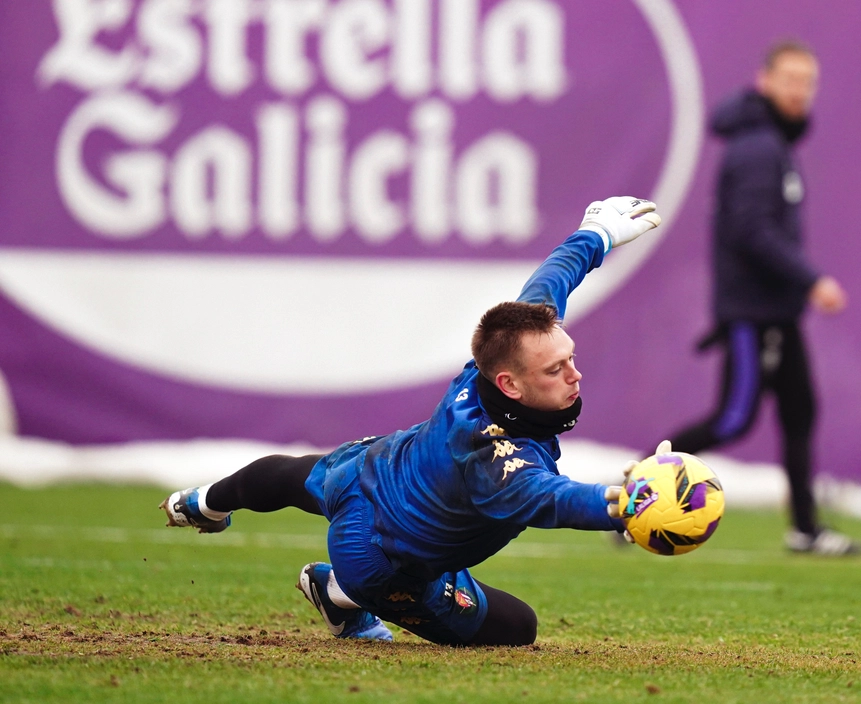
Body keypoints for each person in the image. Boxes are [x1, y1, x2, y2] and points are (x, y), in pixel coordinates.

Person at [159, 196, 661, 646]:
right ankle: (336, 593)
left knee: (292, 477)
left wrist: (596, 234)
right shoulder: (495, 460)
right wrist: (629, 504)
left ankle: (202, 502)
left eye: (568, 356)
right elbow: (553, 500)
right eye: (556, 369)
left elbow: (550, 281)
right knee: (518, 628)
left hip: (368, 467)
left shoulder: (498, 356)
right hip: (379, 561)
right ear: (510, 384)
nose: (575, 373)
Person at [661, 40, 861, 556]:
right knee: (732, 419)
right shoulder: (757, 147)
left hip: (776, 311)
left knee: (800, 411)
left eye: (808, 81)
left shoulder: (773, 142)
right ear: (763, 81)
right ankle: (632, 496)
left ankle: (806, 529)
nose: (800, 91)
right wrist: (811, 278)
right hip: (754, 312)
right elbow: (752, 230)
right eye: (790, 78)